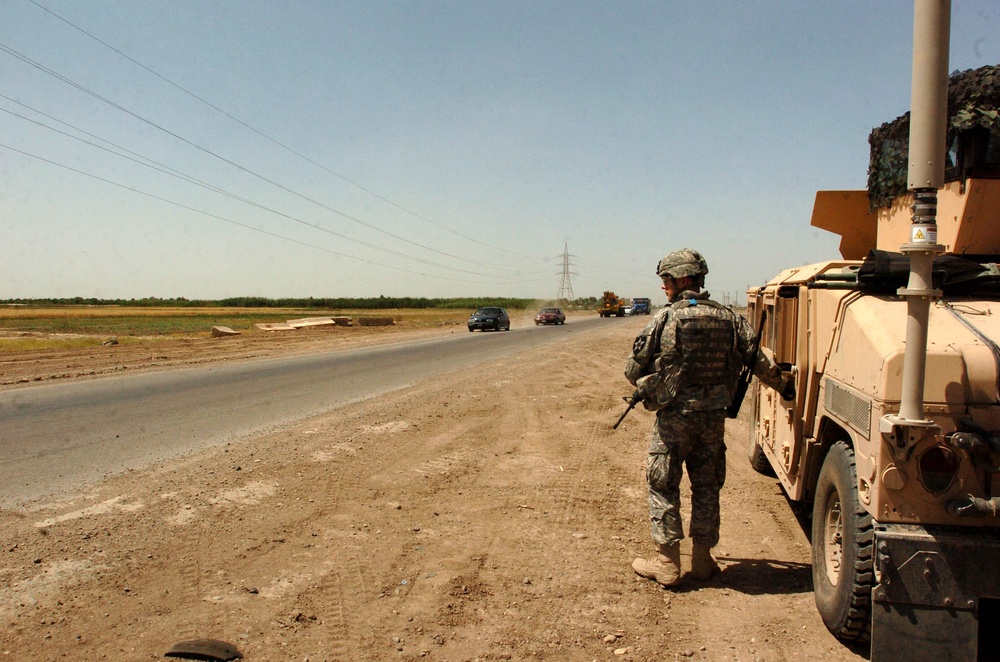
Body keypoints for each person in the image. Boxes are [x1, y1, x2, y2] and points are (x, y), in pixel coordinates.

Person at [624, 248, 792, 586]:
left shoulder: (666, 318)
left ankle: (667, 563)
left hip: (674, 420)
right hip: (713, 419)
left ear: (683, 278)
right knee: (706, 487)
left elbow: (632, 369)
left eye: (666, 280)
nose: (663, 287)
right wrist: (786, 388)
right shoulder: (730, 318)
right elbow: (759, 363)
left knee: (663, 484)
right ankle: (703, 561)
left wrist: (653, 379)